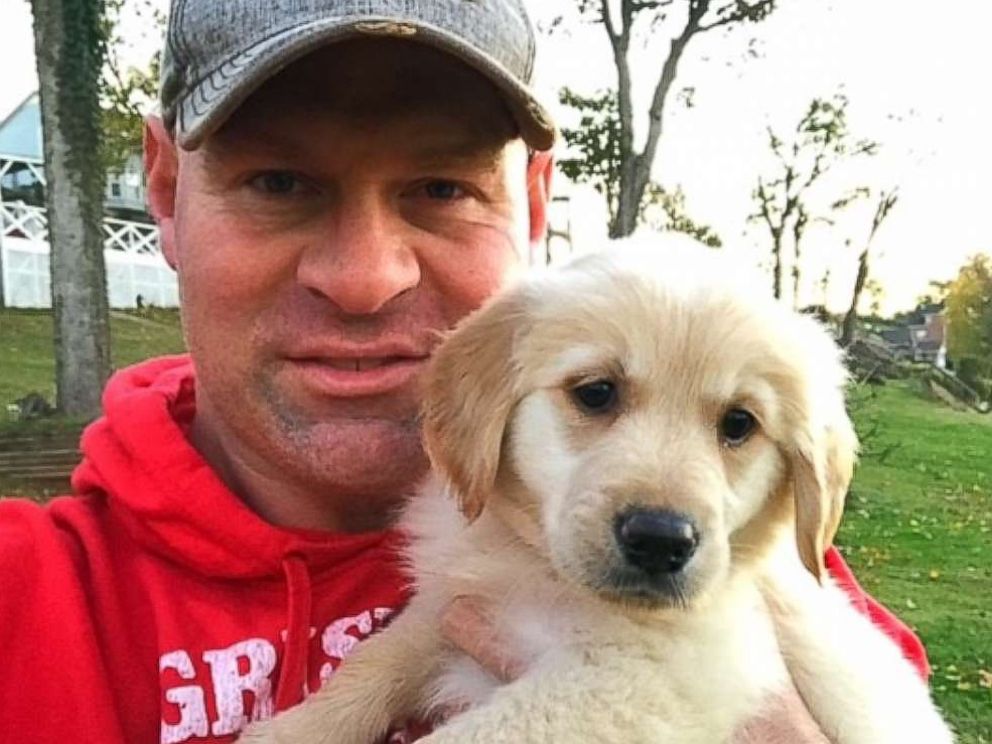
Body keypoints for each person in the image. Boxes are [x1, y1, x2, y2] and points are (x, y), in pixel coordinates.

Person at [0, 2, 929, 743]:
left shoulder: (764, 575)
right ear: (161, 190)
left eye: (441, 188)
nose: (365, 279)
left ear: (529, 203)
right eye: (279, 182)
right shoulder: (30, 594)